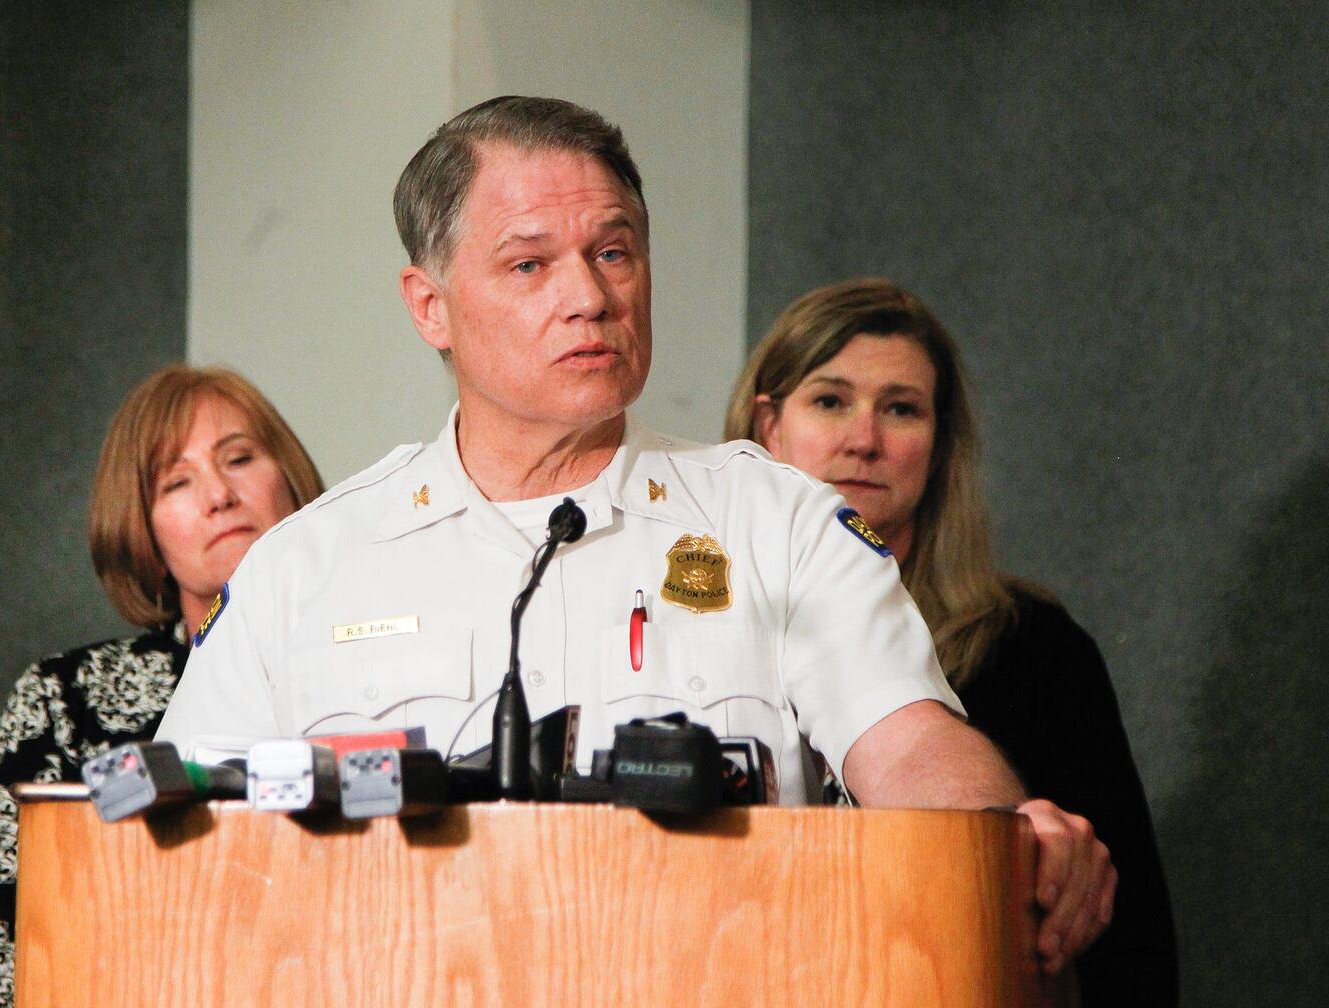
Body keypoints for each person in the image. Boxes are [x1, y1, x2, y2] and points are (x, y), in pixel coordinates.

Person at [155, 96, 1114, 975]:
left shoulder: (774, 521)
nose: (591, 296)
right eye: (530, 263)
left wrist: (1001, 825)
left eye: (613, 253)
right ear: (430, 306)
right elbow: (171, 851)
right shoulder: (308, 565)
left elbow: (906, 740)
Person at [726, 277, 1177, 1003]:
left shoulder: (1034, 649)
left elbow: (1127, 943)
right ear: (768, 427)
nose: (864, 440)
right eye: (831, 401)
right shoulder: (691, 632)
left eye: (900, 409)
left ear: (939, 445)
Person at [0, 365, 323, 1008]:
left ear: (290, 483)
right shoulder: (64, 698)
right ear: (144, 532)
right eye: (177, 482)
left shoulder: (380, 659)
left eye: (239, 458)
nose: (219, 495)